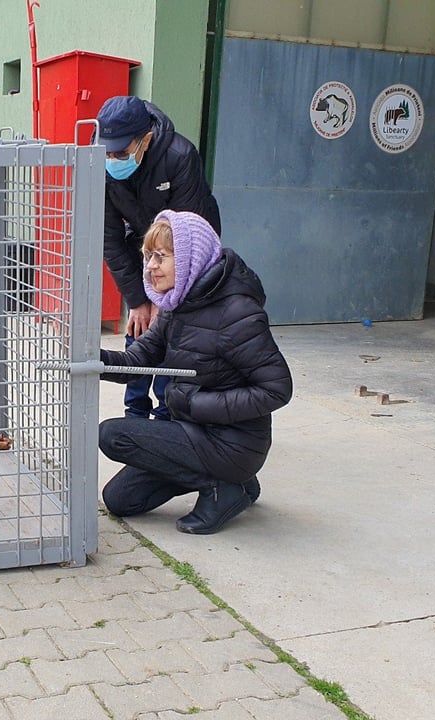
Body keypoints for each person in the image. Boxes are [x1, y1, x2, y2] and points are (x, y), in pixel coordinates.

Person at [98, 210, 292, 534]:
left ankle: (226, 485)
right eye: (148, 257)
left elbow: (277, 389)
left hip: (233, 443)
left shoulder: (237, 313)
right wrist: (94, 361)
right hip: (194, 434)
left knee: (112, 435)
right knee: (119, 499)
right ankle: (236, 482)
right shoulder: (180, 303)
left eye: (160, 256)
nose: (150, 267)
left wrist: (196, 404)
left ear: (190, 257)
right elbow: (141, 359)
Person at [96, 95, 221, 420]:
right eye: (107, 151)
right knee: (139, 326)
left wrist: (163, 301)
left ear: (146, 139)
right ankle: (135, 414)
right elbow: (109, 239)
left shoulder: (180, 156)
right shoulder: (104, 163)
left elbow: (185, 240)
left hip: (188, 251)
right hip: (142, 247)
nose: (112, 158)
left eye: (121, 152)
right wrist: (139, 300)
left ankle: (170, 415)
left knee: (175, 330)